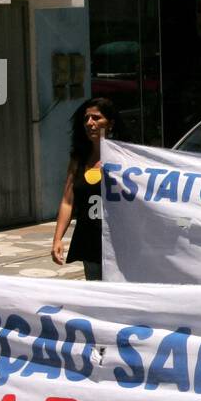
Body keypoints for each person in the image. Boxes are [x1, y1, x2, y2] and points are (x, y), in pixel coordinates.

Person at [52, 97, 118, 280]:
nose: (90, 123)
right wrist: (57, 239)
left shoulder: (125, 159)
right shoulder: (78, 159)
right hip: (89, 240)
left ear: (110, 123)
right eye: (86, 119)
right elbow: (67, 201)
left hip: (118, 242)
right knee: (96, 293)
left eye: (96, 118)